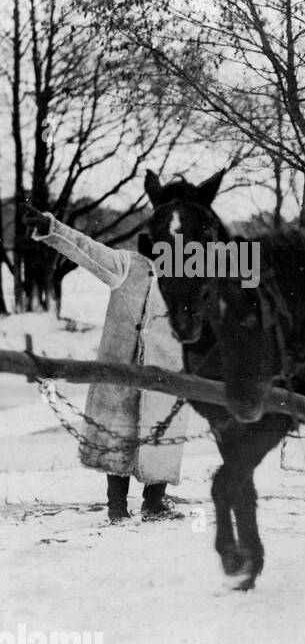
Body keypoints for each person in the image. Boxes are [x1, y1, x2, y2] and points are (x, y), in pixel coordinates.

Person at [22, 203, 189, 522]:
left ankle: (154, 504)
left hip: (165, 375)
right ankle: (116, 507)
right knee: (117, 434)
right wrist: (51, 227)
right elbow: (86, 249)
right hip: (119, 371)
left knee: (163, 437)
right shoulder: (126, 265)